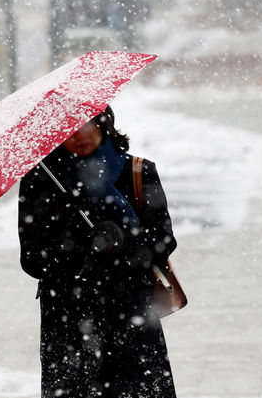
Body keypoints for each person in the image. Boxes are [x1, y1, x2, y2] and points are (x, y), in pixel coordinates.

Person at [18, 105, 178, 398]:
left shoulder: (137, 172)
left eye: (88, 125)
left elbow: (163, 241)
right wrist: (74, 241)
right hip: (68, 324)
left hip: (130, 318)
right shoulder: (42, 182)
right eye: (69, 129)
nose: (79, 135)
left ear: (105, 126)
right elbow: (31, 260)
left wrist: (123, 240)